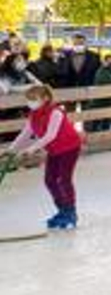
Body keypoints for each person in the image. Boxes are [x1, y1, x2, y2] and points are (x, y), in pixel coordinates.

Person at [1, 84, 84, 230]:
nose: (30, 103)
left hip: (69, 147)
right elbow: (25, 134)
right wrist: (11, 150)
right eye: (28, 99)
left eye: (34, 99)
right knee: (50, 180)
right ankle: (62, 210)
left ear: (45, 98)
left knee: (63, 179)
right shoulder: (34, 115)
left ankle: (71, 212)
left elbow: (50, 136)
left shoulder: (55, 113)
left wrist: (31, 150)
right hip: (54, 150)